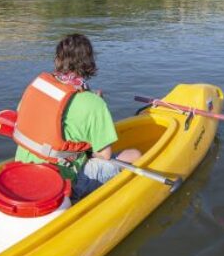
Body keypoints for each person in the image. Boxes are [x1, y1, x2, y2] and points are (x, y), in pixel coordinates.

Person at [13, 33, 140, 199]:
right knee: (135, 155)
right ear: (89, 62)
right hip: (62, 181)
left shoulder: (39, 86)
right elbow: (104, 155)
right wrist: (96, 105)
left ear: (58, 59)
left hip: (23, 166)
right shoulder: (94, 104)